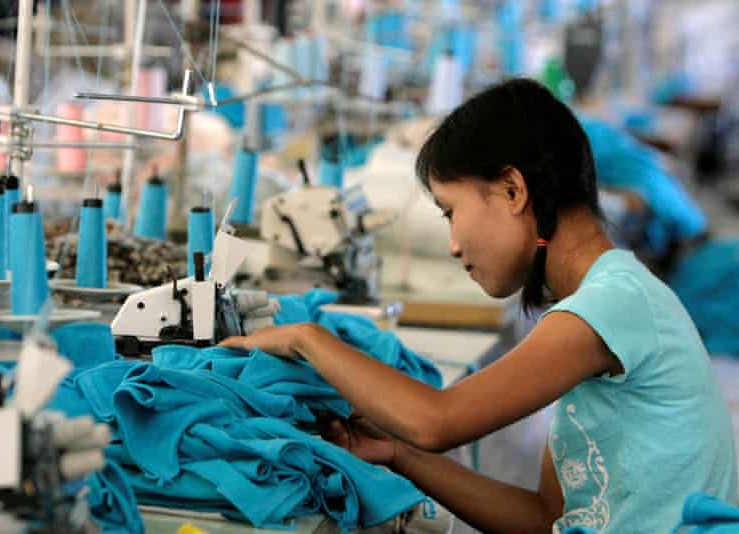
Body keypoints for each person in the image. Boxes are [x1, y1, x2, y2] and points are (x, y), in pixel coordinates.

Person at [220, 78, 737, 533]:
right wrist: (399, 456)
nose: (452, 243)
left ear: (513, 190)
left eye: (450, 211)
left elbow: (437, 422)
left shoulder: (613, 303)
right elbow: (545, 520)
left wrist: (308, 338)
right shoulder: (603, 302)